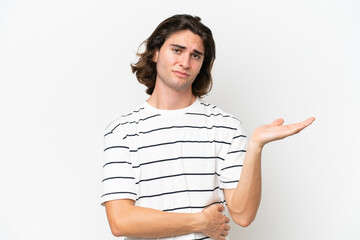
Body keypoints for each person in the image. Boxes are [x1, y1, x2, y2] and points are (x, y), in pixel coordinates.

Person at [101, 14, 315, 240]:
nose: (185, 62)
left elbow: (243, 215)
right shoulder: (122, 131)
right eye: (177, 50)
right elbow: (121, 222)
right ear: (155, 53)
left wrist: (255, 146)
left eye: (195, 55)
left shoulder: (225, 127)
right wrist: (201, 222)